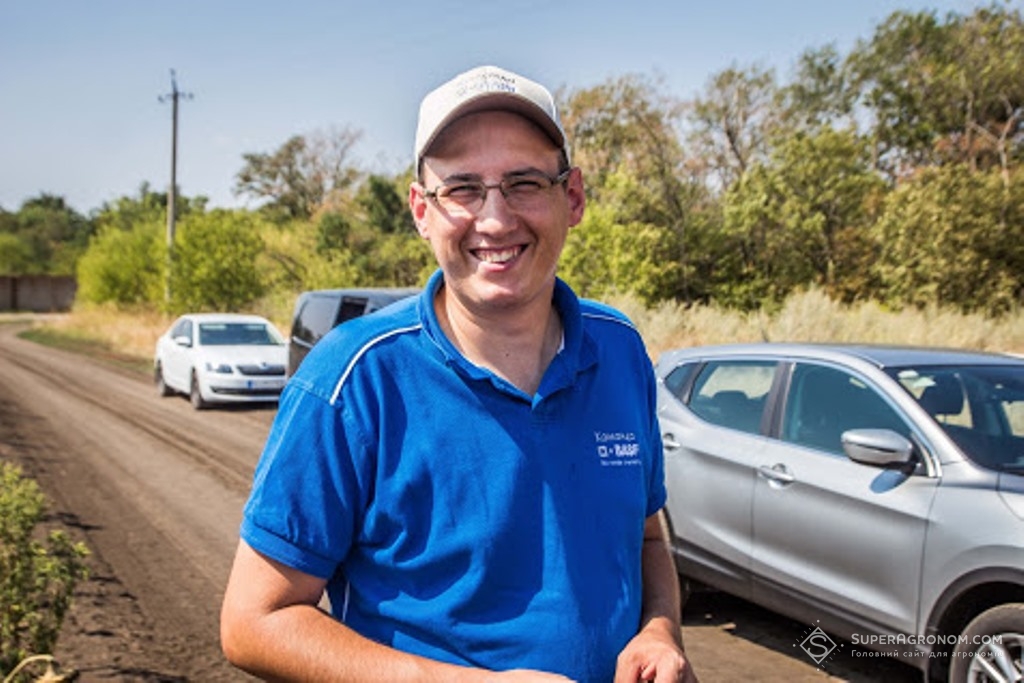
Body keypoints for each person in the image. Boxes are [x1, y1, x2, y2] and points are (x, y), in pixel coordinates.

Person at [220, 64, 698, 683]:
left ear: (572, 197)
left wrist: (659, 631)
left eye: (524, 182)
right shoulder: (353, 379)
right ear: (422, 210)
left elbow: (646, 542)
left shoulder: (621, 349)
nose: (495, 221)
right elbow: (254, 621)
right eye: (463, 189)